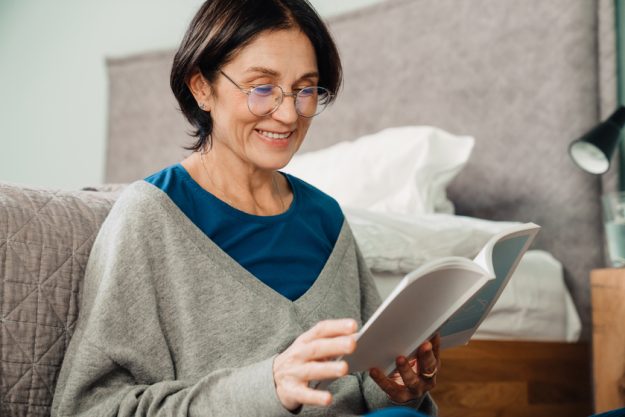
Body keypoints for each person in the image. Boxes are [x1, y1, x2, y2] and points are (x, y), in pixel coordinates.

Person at [51, 0, 440, 415]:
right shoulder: (150, 216)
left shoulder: (326, 218)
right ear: (202, 87)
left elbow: (363, 381)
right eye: (262, 88)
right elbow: (88, 408)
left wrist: (399, 386)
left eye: (305, 89)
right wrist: (269, 386)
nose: (289, 113)